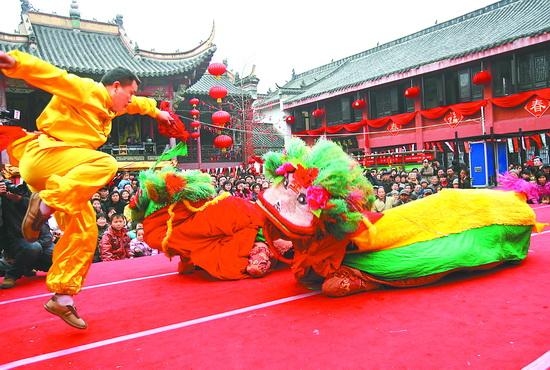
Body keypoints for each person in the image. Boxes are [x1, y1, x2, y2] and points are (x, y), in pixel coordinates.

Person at [0, 49, 175, 329]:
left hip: (63, 170)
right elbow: (55, 77)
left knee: (86, 229)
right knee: (106, 163)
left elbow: (139, 104)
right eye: (128, 92)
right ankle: (45, 204)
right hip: (46, 155)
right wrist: (18, 63)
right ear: (115, 86)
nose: (129, 99)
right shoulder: (87, 90)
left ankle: (63, 298)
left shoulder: (111, 106)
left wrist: (158, 114)